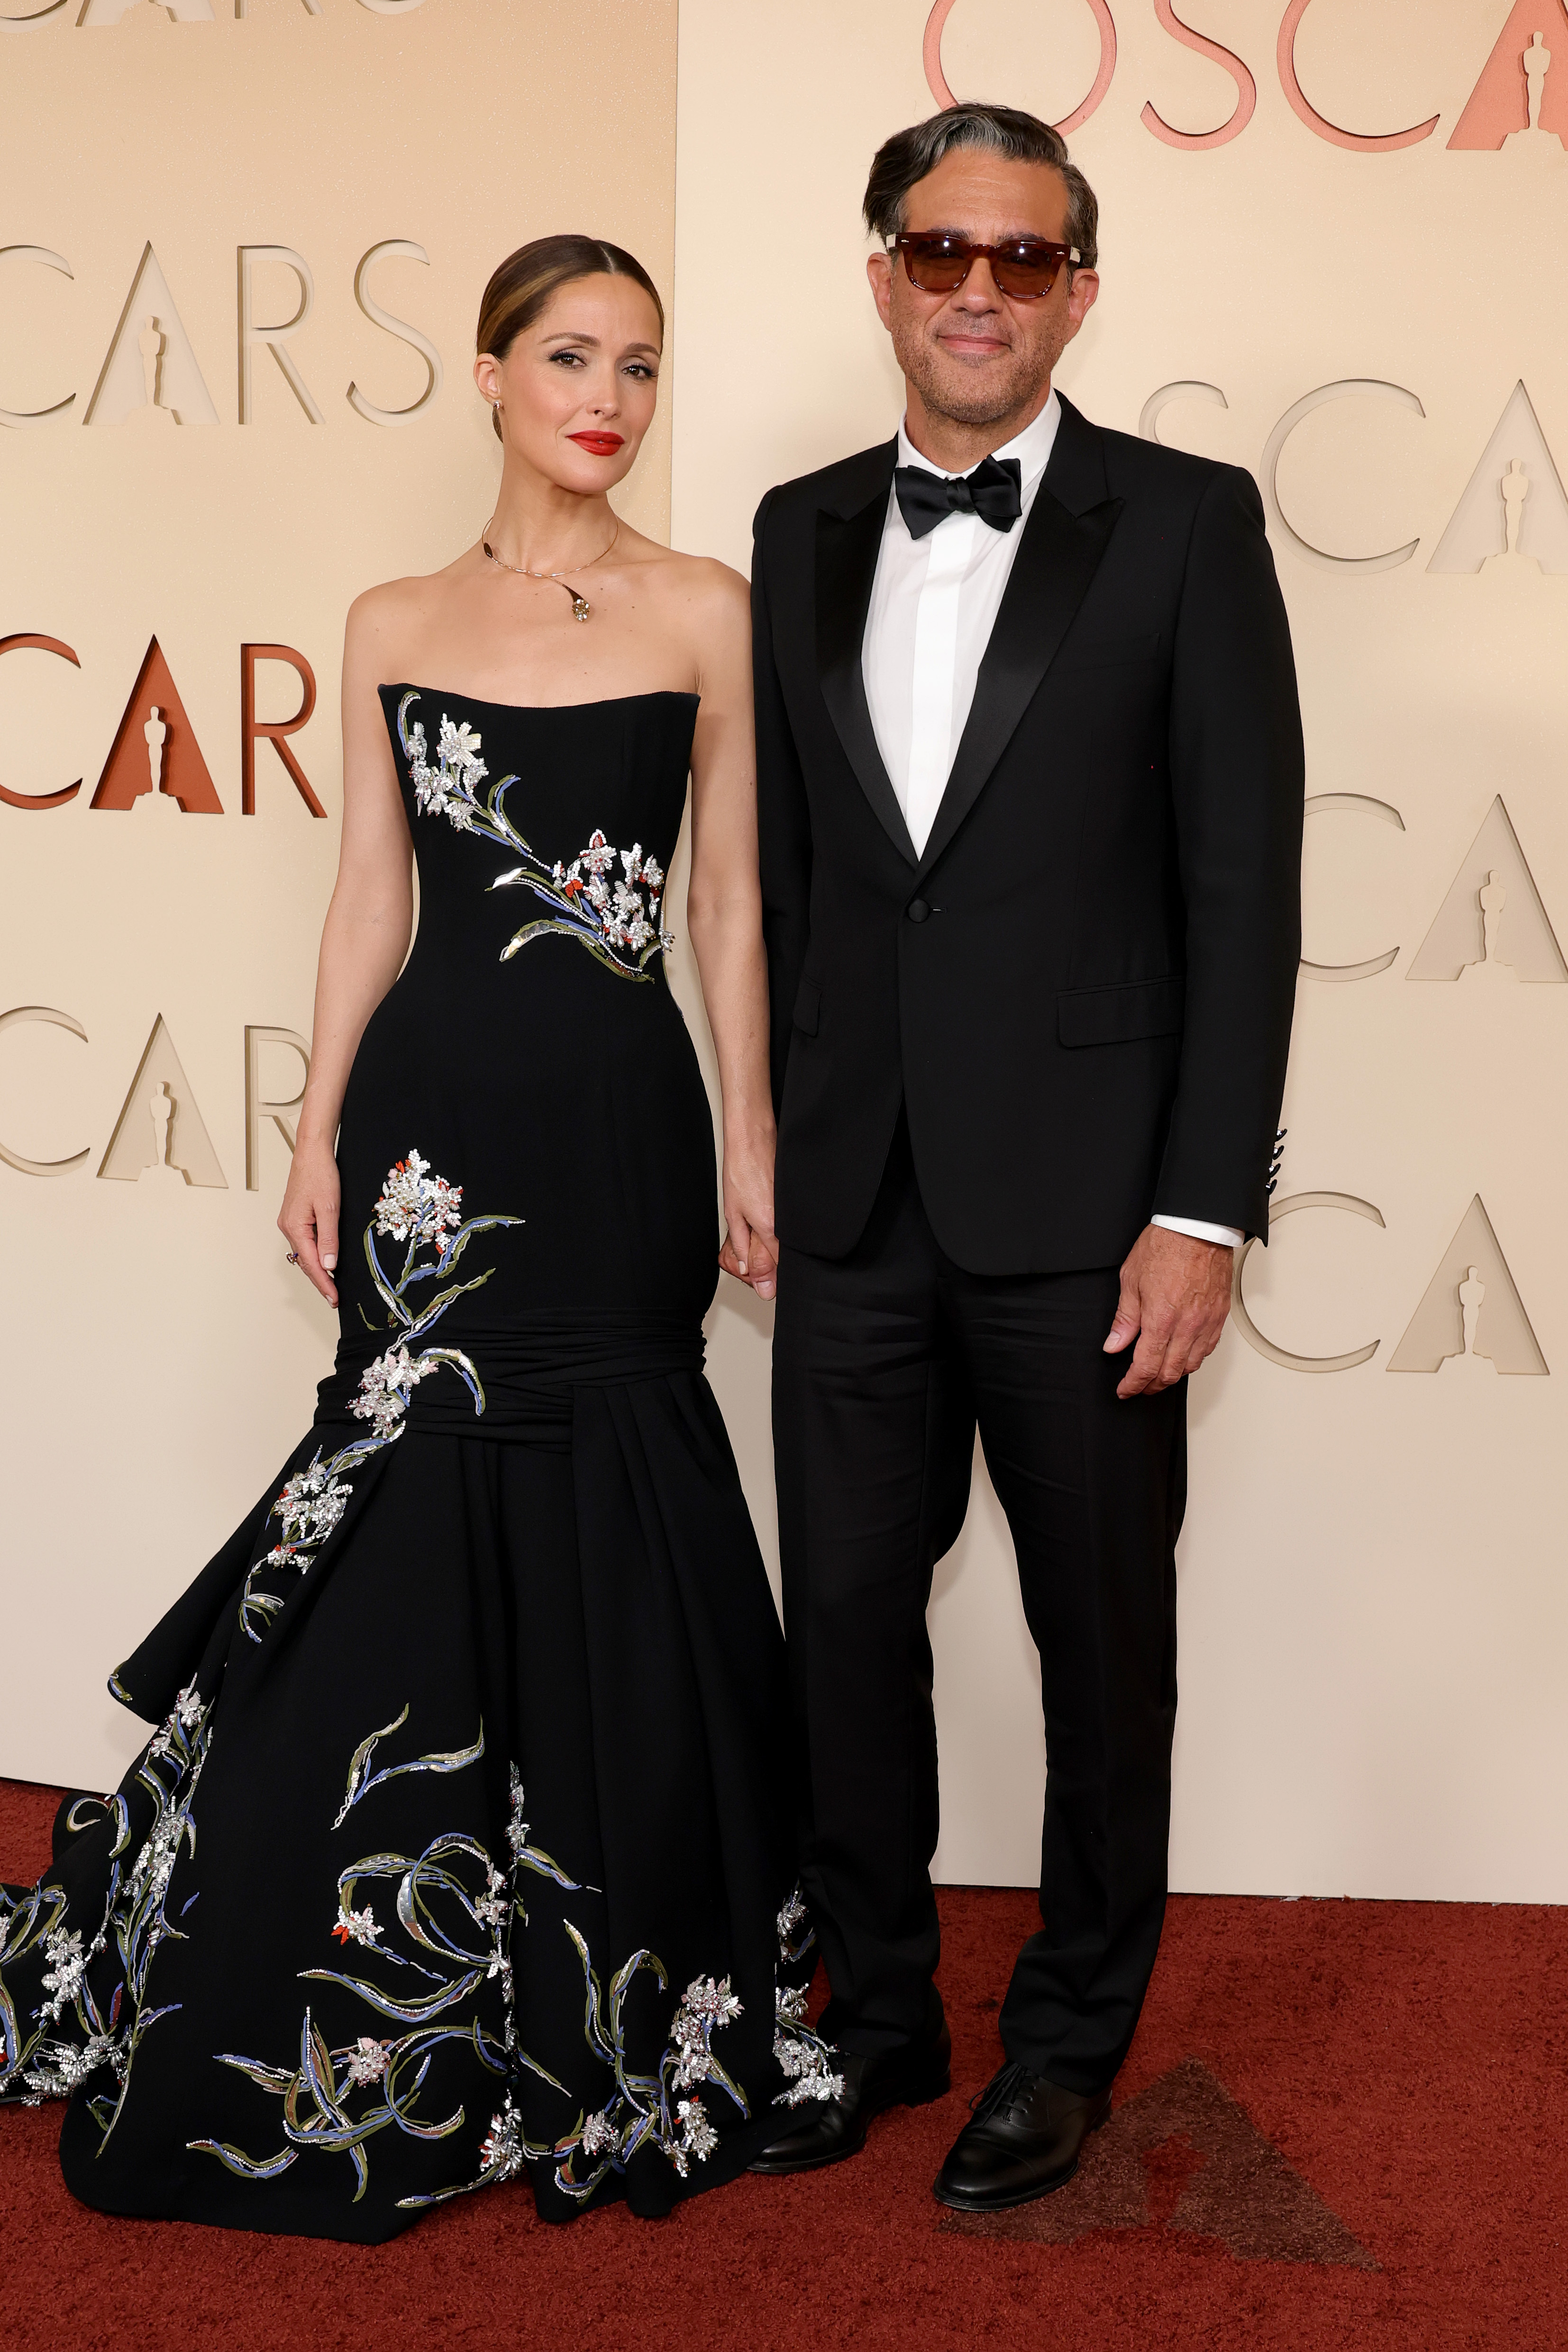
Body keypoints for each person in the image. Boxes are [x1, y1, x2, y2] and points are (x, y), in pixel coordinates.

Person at [0, 233, 837, 2243]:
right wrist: (312, 1118)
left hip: (622, 1124)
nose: (608, 395)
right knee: (404, 1497)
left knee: (618, 1488)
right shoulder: (390, 613)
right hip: (432, 1141)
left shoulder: (702, 608)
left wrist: (751, 1129)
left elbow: (723, 906)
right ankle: (381, 1963)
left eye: (640, 363)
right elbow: (372, 900)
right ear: (487, 373)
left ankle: (621, 1985)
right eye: (570, 354)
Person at [746, 105, 1303, 2212]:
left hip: (1092, 1215)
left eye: (1021, 256)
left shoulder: (1181, 523)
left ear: (1077, 288)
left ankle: (1066, 2038)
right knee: (845, 1632)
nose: (975, 288)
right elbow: (801, 886)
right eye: (937, 248)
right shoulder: (795, 527)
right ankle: (878, 2007)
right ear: (882, 272)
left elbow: (1236, 891)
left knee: (1100, 1644)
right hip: (855, 1201)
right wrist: (770, 1139)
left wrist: (1200, 1207)